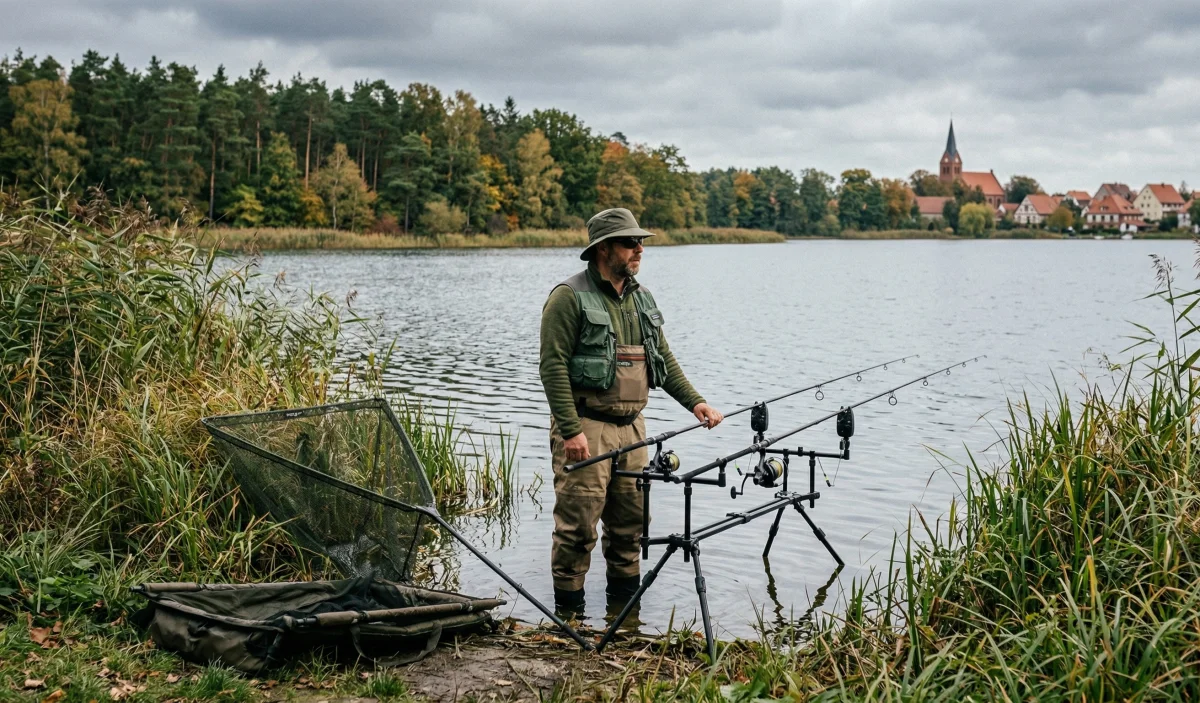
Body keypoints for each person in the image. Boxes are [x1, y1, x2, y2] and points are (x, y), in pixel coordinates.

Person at [539, 207, 723, 614]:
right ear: (604, 248)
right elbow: (551, 368)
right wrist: (571, 431)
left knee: (631, 530)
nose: (640, 249)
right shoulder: (568, 298)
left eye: (641, 242)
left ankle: (624, 625)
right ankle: (569, 626)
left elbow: (665, 359)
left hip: (634, 430)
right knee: (577, 531)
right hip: (587, 427)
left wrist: (697, 402)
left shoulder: (642, 299)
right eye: (630, 242)